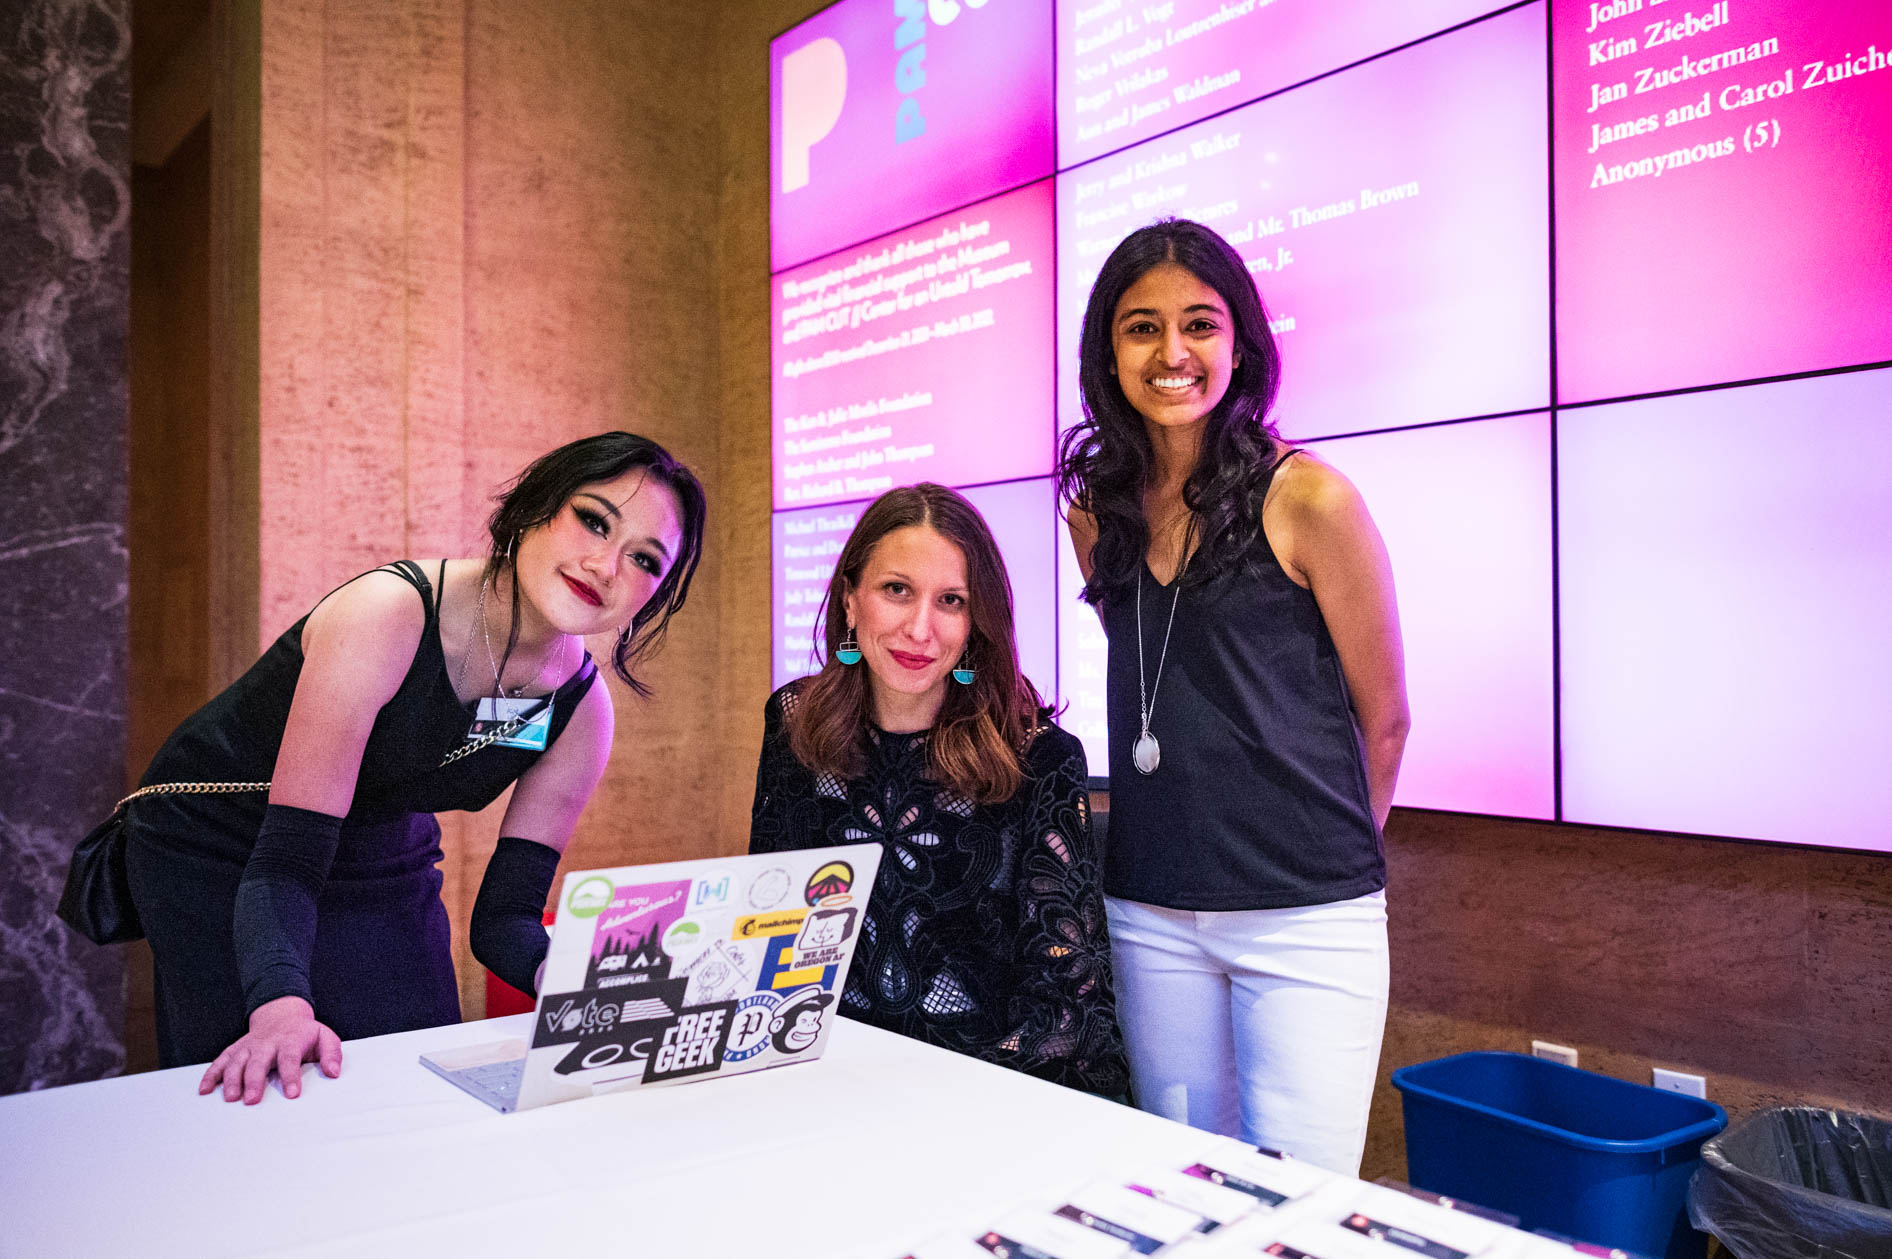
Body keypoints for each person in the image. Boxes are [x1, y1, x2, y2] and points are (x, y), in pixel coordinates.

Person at [123, 431, 706, 1103]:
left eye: (643, 558)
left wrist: (564, 973)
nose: (606, 564)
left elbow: (504, 919)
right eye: (594, 520)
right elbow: (285, 860)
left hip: (379, 840)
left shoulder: (582, 711)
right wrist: (279, 1006)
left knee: (417, 1074)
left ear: (652, 596)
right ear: (538, 505)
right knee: (271, 1085)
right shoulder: (388, 612)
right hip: (222, 841)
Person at [1057, 219, 1409, 1174]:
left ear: (1242, 340)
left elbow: (1387, 717)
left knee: (1299, 1203)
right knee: (1176, 1187)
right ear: (1108, 351)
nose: (1173, 353)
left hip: (1305, 916)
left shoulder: (1312, 500)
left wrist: (1317, 868)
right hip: (1150, 904)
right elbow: (1157, 686)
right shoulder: (1096, 512)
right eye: (1141, 328)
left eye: (1200, 325)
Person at [748, 484, 1127, 1098]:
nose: (919, 628)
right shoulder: (794, 722)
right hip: (828, 1086)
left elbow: (1067, 1010)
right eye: (896, 590)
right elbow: (770, 932)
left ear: (977, 624)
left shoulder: (1040, 758)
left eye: (951, 600)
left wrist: (925, 1094)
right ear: (850, 601)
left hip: (990, 1095)